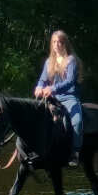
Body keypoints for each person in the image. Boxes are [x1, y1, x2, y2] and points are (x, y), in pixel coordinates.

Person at [34, 29, 83, 163]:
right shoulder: (49, 61)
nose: (57, 44)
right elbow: (43, 79)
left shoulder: (71, 60)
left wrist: (52, 88)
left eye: (60, 42)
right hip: (52, 98)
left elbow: (70, 81)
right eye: (54, 42)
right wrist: (39, 87)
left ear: (65, 44)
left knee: (77, 121)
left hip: (69, 97)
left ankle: (75, 152)